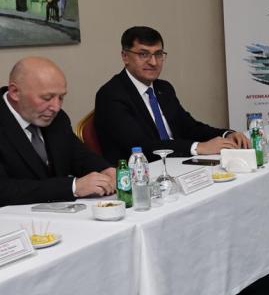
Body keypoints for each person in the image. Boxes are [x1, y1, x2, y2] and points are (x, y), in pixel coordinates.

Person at [94, 26, 250, 164]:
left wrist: (226, 134)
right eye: (143, 54)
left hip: (177, 164)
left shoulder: (164, 88)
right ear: (125, 57)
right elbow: (140, 147)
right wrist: (198, 147)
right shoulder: (111, 95)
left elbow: (189, 127)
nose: (153, 62)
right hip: (139, 175)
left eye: (158, 54)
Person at [0, 57, 115, 206]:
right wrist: (73, 187)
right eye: (47, 97)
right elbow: (4, 190)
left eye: (61, 97)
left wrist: (105, 170)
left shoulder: (57, 118)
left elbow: (77, 155)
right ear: (15, 92)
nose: (56, 107)